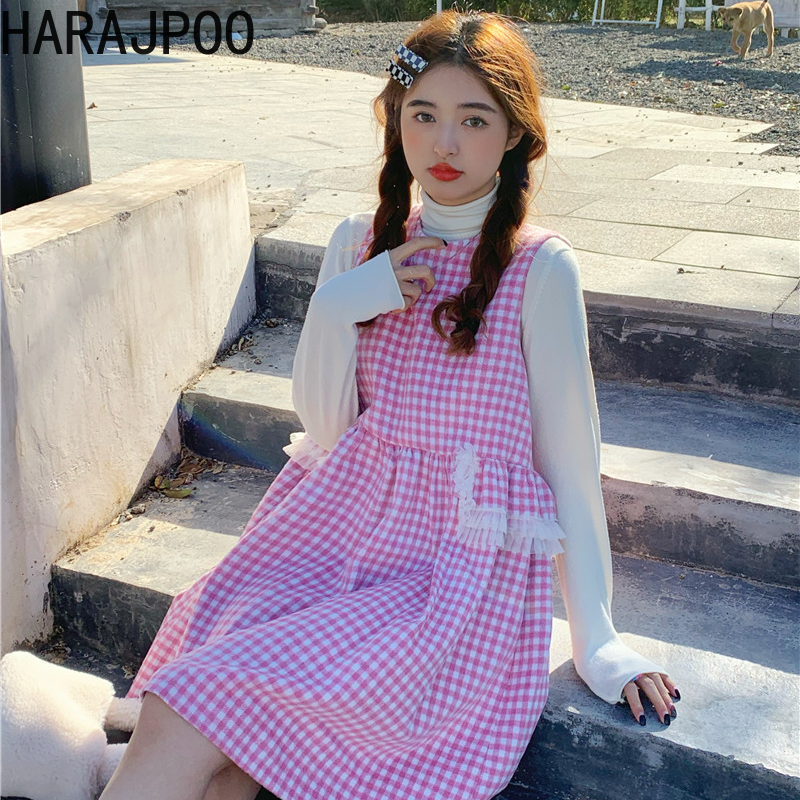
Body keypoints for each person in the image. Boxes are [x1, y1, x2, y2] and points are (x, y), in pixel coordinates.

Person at [100, 10, 678, 800]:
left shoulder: (539, 269)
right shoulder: (360, 243)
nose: (445, 144)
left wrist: (598, 638)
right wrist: (342, 303)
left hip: (447, 584)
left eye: (474, 120)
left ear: (514, 133)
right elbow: (326, 428)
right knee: (223, 764)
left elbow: (571, 468)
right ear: (395, 119)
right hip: (333, 539)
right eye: (423, 115)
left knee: (187, 705)